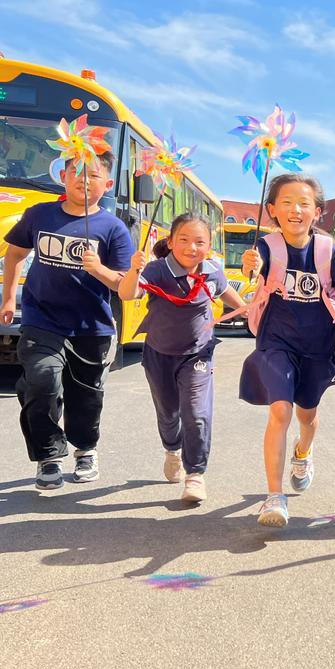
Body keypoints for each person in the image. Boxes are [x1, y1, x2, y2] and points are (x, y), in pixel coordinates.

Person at [0, 150, 133, 490]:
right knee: (42, 382)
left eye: (93, 175)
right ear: (63, 176)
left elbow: (126, 286)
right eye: (76, 172)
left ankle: (85, 448)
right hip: (42, 319)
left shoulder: (113, 228)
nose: (84, 180)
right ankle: (48, 456)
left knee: (85, 397)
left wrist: (98, 269)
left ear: (108, 183)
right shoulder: (40, 215)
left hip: (92, 327)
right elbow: (14, 254)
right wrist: (9, 297)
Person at [238, 174, 335, 527]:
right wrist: (253, 267)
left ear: (317, 212)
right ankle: (274, 497)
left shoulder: (329, 252)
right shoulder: (266, 246)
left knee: (306, 417)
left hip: (317, 347)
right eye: (287, 202)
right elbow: (257, 270)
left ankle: (303, 450)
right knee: (280, 410)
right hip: (275, 343)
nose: (296, 209)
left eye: (304, 203)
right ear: (272, 210)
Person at [118, 213, 246, 502]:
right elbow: (127, 295)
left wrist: (252, 311)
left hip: (198, 354)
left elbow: (229, 295)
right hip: (159, 354)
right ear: (171, 241)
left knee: (197, 414)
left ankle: (196, 474)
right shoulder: (156, 270)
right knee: (168, 414)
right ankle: (172, 450)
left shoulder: (213, 270)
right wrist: (133, 271)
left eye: (200, 242)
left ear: (209, 246)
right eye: (184, 240)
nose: (192, 248)